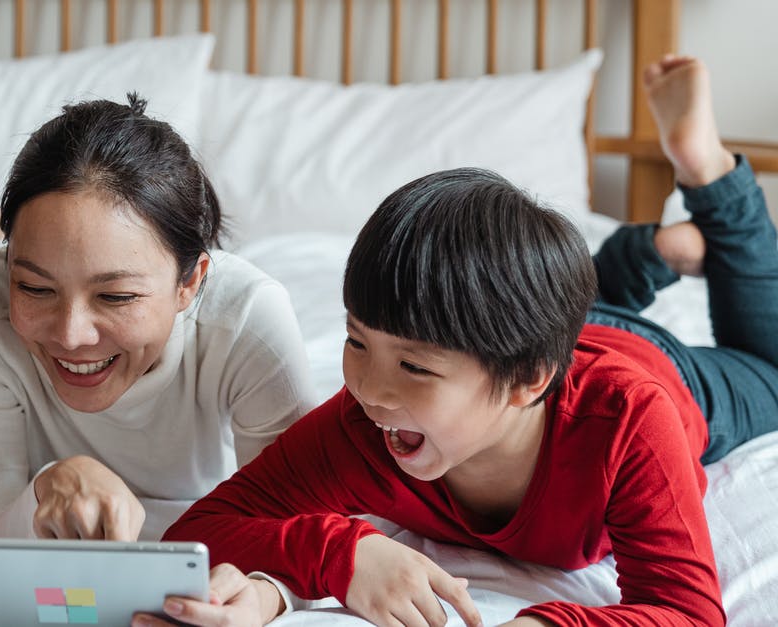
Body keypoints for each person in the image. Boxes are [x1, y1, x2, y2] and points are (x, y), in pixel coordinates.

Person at [155, 55, 772, 626]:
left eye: (415, 368)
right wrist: (340, 554)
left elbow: (687, 613)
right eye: (357, 341)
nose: (368, 388)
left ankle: (707, 175)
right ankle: (644, 257)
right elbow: (201, 530)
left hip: (654, 363)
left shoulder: (629, 421)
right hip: (538, 331)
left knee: (768, 366)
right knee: (578, 300)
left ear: (529, 382)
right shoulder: (366, 425)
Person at [0, 94, 318, 542]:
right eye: (36, 288)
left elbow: (303, 532)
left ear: (189, 283)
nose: (72, 335)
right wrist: (44, 489)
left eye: (116, 296)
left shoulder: (247, 320)